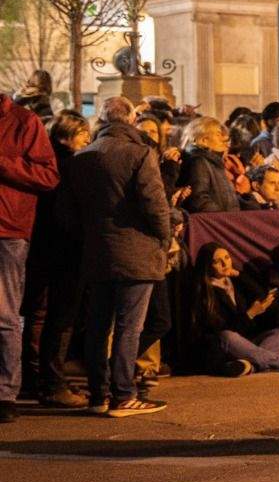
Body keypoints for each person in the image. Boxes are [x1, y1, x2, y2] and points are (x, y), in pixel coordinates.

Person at [55, 97, 172, 417]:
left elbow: (68, 212)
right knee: (128, 326)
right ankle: (124, 395)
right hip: (136, 251)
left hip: (97, 251)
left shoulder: (81, 157)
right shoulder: (139, 153)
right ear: (132, 119)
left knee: (98, 325)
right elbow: (154, 204)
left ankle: (98, 394)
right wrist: (166, 235)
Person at [21, 112, 90, 409]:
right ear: (68, 136)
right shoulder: (71, 167)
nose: (88, 139)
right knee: (61, 319)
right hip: (64, 251)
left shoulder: (43, 163)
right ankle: (52, 383)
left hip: (37, 247)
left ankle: (31, 378)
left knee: (35, 314)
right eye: (83, 134)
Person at [0, 89, 59, 423]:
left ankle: (6, 392)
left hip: (8, 230)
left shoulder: (25, 121)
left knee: (5, 314)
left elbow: (48, 176)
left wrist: (3, 163)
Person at [187, 243, 279, 376]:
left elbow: (260, 294)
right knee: (228, 335)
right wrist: (249, 314)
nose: (225, 264)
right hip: (223, 346)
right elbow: (221, 330)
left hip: (246, 343)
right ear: (208, 266)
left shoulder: (236, 282)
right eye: (218, 262)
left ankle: (249, 365)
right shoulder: (204, 292)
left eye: (227, 258)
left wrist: (239, 275)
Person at [177, 117, 240, 214]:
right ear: (204, 140)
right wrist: (224, 217)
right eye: (218, 135)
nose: (223, 139)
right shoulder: (199, 161)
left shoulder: (213, 161)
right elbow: (198, 199)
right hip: (214, 223)